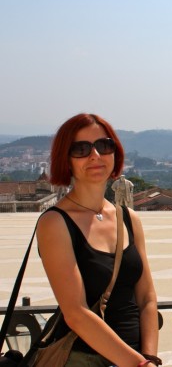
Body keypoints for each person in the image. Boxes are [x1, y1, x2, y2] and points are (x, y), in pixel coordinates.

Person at [36, 113, 159, 367]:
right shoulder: (55, 223)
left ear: (115, 154)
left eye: (104, 146)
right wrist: (139, 364)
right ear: (66, 160)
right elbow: (76, 313)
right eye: (81, 149)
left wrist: (149, 358)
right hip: (85, 359)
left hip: (137, 359)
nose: (95, 155)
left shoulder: (129, 219)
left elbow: (147, 297)